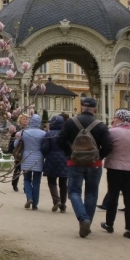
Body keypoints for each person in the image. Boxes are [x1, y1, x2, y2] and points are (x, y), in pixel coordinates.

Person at [56, 97, 113, 238]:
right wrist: (99, 156)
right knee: (92, 194)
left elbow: (59, 140)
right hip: (94, 164)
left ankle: (83, 219)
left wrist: (69, 153)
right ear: (94, 109)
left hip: (75, 162)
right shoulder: (100, 125)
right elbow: (108, 146)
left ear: (81, 107)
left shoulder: (70, 122)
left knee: (74, 192)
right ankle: (87, 223)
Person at [100, 109, 130, 239]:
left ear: (120, 119)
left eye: (115, 117)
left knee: (113, 196)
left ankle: (109, 224)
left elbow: (106, 148)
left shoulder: (112, 132)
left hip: (115, 168)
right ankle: (129, 229)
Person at [14, 114, 46, 210]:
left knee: (27, 179)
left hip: (26, 158)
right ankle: (35, 204)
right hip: (38, 158)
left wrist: (18, 138)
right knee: (36, 182)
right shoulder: (43, 133)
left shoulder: (24, 132)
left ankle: (29, 197)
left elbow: (16, 144)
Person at [41, 115, 69, 213]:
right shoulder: (65, 134)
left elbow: (45, 148)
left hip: (51, 159)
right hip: (64, 159)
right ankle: (63, 204)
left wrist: (46, 154)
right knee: (63, 183)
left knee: (52, 181)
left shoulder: (48, 134)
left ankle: (56, 200)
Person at [9, 114, 29, 192]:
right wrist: (11, 150)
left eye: (27, 119)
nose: (25, 120)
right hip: (18, 151)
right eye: (23, 119)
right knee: (18, 168)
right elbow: (12, 141)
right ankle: (14, 184)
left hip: (27, 151)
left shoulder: (29, 129)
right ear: (20, 120)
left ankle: (25, 186)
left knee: (26, 169)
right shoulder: (16, 130)